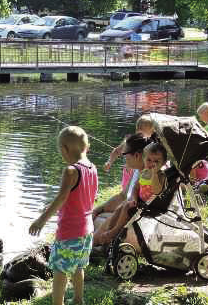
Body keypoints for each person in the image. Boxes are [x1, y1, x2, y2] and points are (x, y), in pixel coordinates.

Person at [29, 126, 98, 305]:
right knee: (78, 267)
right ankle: (78, 299)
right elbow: (83, 197)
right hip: (87, 231)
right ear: (86, 147)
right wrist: (55, 206)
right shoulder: (92, 168)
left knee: (60, 271)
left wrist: (41, 220)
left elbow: (61, 198)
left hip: (69, 232)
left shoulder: (71, 170)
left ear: (64, 149)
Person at [93, 139, 167, 245]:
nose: (152, 164)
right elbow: (135, 188)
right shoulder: (143, 172)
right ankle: (107, 233)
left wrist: (154, 174)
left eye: (156, 162)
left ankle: (114, 232)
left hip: (148, 206)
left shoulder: (160, 175)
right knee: (121, 208)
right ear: (144, 159)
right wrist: (134, 198)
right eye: (149, 160)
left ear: (163, 163)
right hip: (138, 201)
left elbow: (157, 191)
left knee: (125, 208)